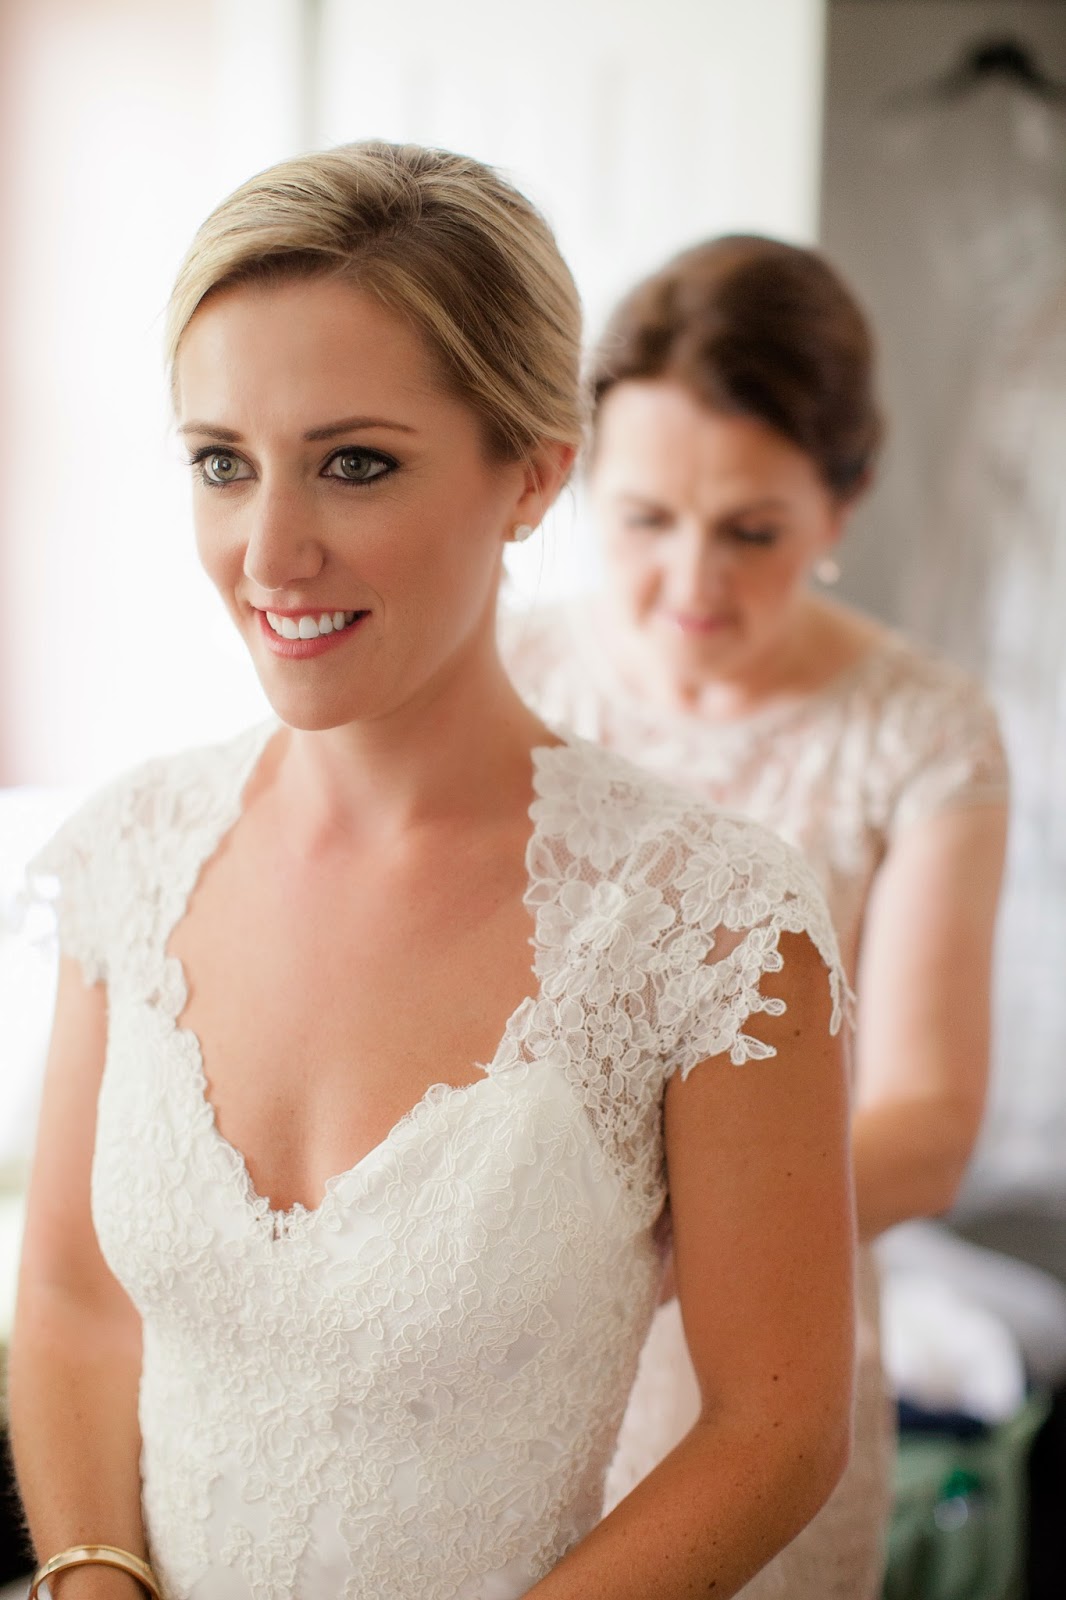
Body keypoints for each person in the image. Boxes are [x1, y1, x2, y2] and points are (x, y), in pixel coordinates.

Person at [9, 149, 856, 1600]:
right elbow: (77, 1301)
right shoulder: (130, 852)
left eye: (355, 463)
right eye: (222, 462)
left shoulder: (711, 924)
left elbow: (773, 1430)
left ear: (531, 474)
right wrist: (94, 1581)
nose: (270, 552)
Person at [502, 235, 1009, 1599]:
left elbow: (924, 1130)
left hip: (770, 1352)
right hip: (490, 1345)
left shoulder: (923, 734)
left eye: (751, 532)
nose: (690, 583)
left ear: (841, 505)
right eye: (644, 519)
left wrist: (623, 1248)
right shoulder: (499, 675)